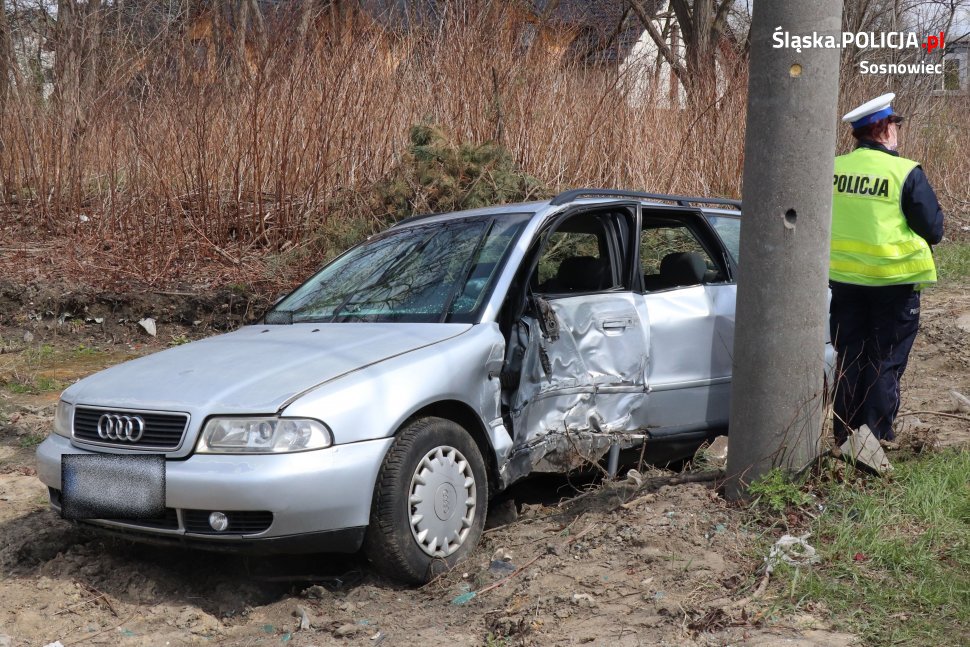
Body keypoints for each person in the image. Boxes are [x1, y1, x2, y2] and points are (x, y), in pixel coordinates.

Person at [829, 93, 944, 446]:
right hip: (893, 284)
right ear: (882, 128)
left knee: (849, 358)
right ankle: (874, 443)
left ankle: (844, 437)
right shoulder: (904, 171)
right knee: (884, 361)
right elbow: (934, 230)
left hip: (844, 282)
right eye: (895, 124)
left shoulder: (832, 168)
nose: (898, 130)